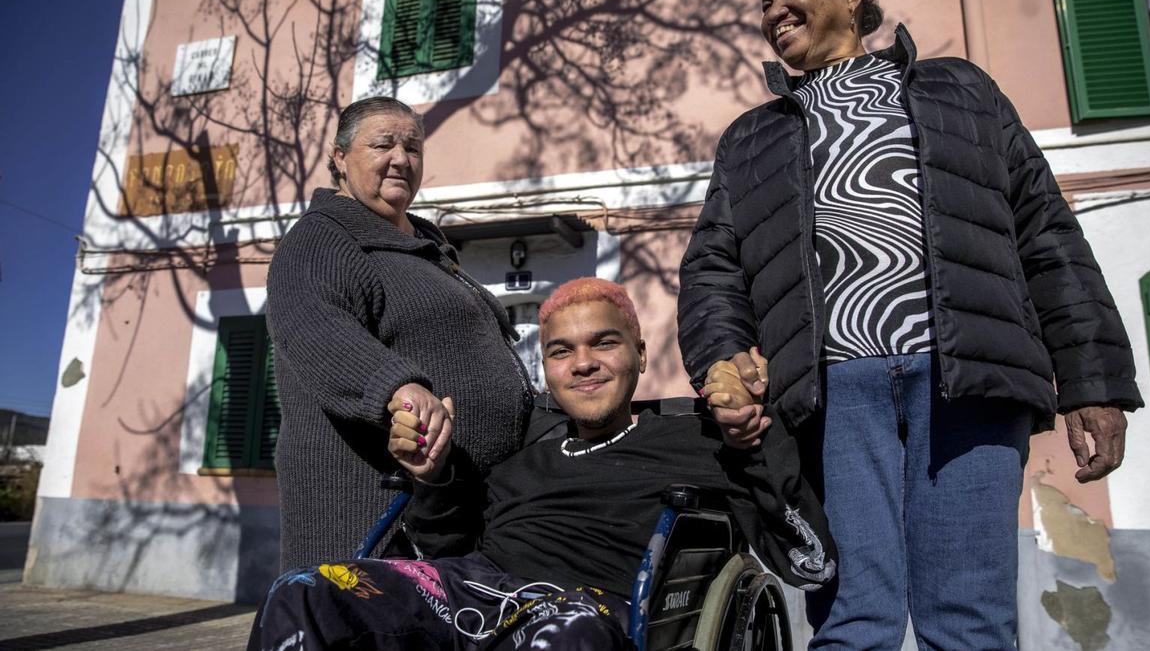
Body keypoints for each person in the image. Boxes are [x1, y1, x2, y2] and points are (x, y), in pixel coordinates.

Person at [676, 0, 1144, 648]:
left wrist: (1092, 380)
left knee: (969, 622)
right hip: (832, 397)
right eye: (762, 1)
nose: (773, 10)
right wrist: (723, 357)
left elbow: (1045, 231)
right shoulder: (752, 138)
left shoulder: (962, 90)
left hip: (969, 383)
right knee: (853, 622)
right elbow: (713, 268)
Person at [250, 278, 835, 650]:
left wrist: (756, 440)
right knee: (304, 591)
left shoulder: (698, 440)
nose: (583, 364)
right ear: (548, 370)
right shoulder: (521, 457)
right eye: (562, 351)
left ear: (639, 353)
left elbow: (809, 563)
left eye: (603, 343)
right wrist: (431, 474)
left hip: (587, 612)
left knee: (564, 636)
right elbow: (447, 547)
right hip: (470, 593)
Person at [266, 96, 533, 571]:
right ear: (340, 158)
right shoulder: (322, 240)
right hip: (375, 510)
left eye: (413, 148)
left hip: (459, 504)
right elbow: (315, 329)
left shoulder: (425, 246)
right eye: (382, 144)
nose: (400, 159)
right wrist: (395, 386)